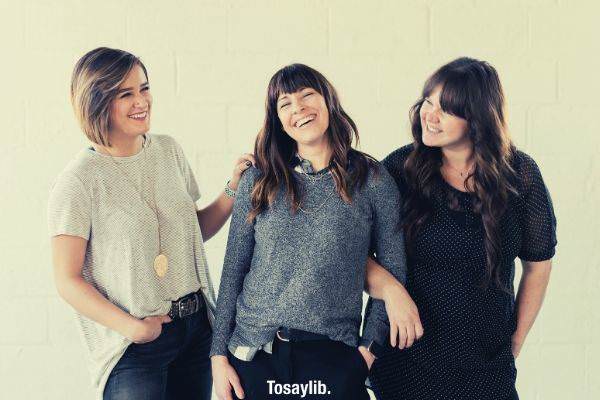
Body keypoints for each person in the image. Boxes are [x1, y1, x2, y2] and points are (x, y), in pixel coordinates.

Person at [48, 47, 254, 400]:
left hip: (196, 330)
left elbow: (191, 234)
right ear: (96, 102)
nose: (141, 101)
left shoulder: (168, 150)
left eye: (144, 88)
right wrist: (134, 329)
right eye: (125, 94)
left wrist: (232, 189)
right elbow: (67, 281)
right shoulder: (79, 180)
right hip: (134, 347)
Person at [209, 63, 417, 400]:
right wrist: (218, 356)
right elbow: (234, 269)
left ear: (328, 102)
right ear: (277, 119)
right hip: (254, 354)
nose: (299, 109)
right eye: (285, 104)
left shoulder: (372, 179)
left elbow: (394, 269)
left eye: (307, 95)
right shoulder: (258, 180)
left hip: (333, 357)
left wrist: (365, 355)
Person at [367, 57, 557, 400]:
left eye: (446, 109)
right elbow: (347, 249)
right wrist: (391, 291)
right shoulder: (399, 169)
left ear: (478, 119)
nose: (430, 114)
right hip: (408, 361)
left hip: (486, 364)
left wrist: (515, 340)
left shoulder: (521, 175)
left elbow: (538, 264)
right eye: (428, 101)